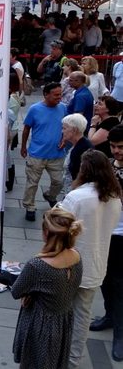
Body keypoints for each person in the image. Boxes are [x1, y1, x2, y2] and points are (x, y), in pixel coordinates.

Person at [61, 149, 122, 368]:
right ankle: (73, 359)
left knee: (62, 311)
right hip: (96, 265)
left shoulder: (77, 197)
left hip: (70, 264)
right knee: (82, 315)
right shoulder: (115, 198)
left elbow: (58, 226)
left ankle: (59, 352)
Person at [11, 207, 83, 369]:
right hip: (63, 321)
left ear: (47, 233)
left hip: (41, 324)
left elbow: (16, 291)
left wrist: (30, 293)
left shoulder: (37, 265)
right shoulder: (76, 256)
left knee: (35, 363)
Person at [91, 125, 123, 361]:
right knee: (104, 277)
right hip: (105, 231)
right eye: (113, 146)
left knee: (120, 284)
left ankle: (120, 332)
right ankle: (110, 315)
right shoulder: (110, 166)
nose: (116, 151)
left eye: (120, 147)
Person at [21, 82, 67, 221]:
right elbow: (26, 128)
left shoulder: (63, 108)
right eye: (56, 95)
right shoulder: (35, 109)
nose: (59, 97)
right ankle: (29, 206)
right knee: (32, 182)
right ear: (46, 94)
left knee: (58, 182)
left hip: (57, 154)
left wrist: (64, 139)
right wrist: (23, 146)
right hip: (37, 154)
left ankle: (50, 195)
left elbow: (66, 126)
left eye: (60, 94)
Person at [61, 114, 94, 196]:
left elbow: (79, 175)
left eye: (64, 128)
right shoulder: (79, 145)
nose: (62, 131)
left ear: (74, 130)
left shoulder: (82, 149)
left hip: (76, 192)